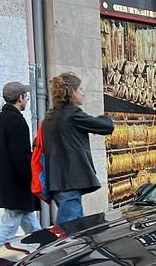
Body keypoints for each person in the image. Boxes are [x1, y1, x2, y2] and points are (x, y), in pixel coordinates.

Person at [42, 73, 114, 223]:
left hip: (59, 181)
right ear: (72, 92)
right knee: (70, 228)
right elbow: (105, 126)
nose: (83, 93)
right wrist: (105, 117)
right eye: (80, 89)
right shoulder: (72, 114)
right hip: (70, 180)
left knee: (75, 225)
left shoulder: (50, 116)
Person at [0, 81, 41, 251]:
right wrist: (32, 177)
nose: (27, 99)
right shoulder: (17, 122)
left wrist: (1, 173)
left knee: (32, 226)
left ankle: (43, 250)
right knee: (8, 228)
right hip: (17, 186)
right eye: (26, 96)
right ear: (20, 98)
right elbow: (21, 157)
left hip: (5, 183)